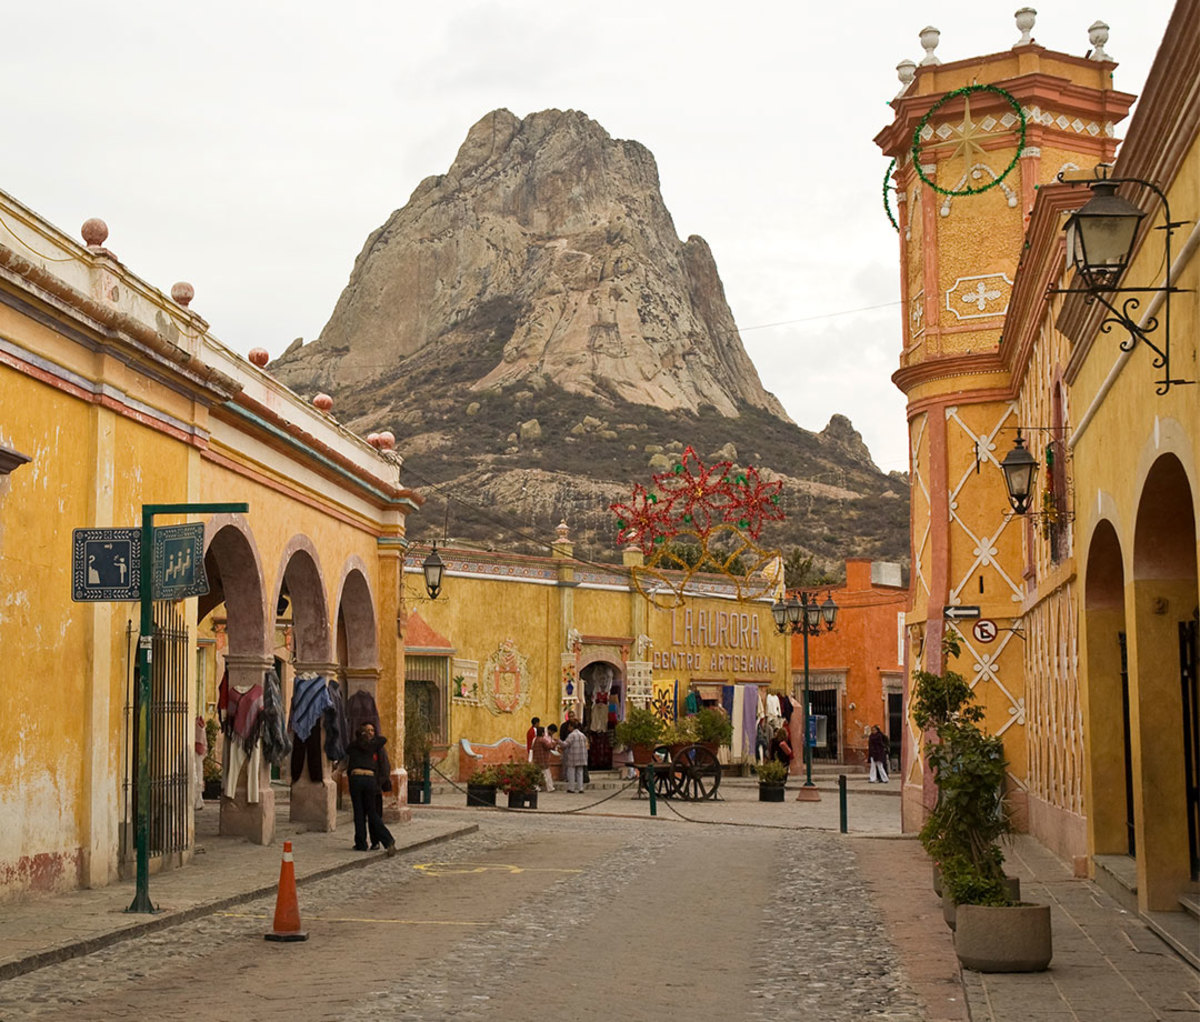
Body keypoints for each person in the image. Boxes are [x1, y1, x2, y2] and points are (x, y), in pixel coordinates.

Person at [346, 724, 396, 855]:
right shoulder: (374, 746)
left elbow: (346, 750)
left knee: (359, 813)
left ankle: (361, 843)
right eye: (367, 731)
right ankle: (388, 840)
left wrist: (361, 735)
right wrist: (370, 738)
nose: (370, 733)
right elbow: (383, 739)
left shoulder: (353, 746)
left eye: (371, 730)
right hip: (369, 779)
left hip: (356, 778)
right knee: (372, 812)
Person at [561, 720, 588, 793]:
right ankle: (580, 788)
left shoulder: (571, 735)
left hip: (573, 756)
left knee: (571, 772)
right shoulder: (582, 735)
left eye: (569, 726)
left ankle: (571, 788)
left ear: (572, 727)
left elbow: (565, 744)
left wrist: (559, 742)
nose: (568, 728)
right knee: (580, 772)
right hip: (581, 756)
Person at [531, 726, 559, 792]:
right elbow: (550, 746)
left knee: (537, 774)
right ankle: (550, 787)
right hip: (543, 760)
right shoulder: (542, 740)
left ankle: (535, 787)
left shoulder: (535, 740)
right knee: (547, 775)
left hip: (536, 759)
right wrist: (555, 743)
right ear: (543, 733)